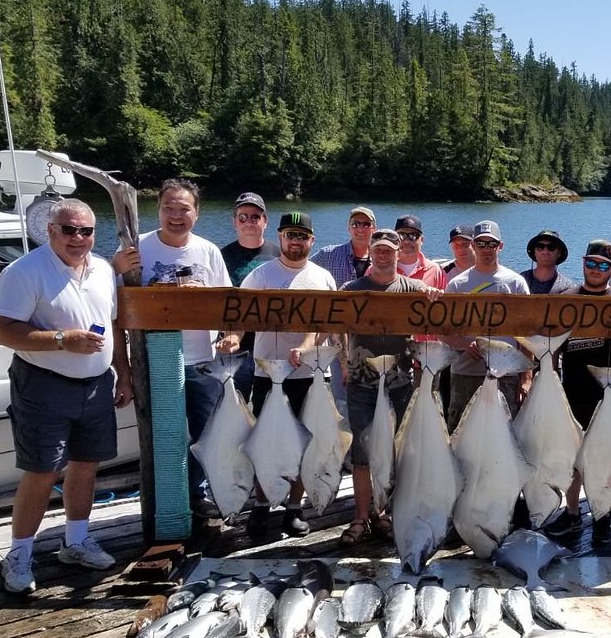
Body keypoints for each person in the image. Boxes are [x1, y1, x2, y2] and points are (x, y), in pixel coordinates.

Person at [0, 198, 133, 594]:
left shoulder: (103, 269)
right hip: (42, 382)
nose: (78, 238)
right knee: (41, 470)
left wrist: (123, 372)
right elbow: (0, 330)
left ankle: (76, 540)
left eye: (86, 231)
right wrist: (60, 340)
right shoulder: (24, 271)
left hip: (97, 383)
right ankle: (19, 553)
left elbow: (114, 325)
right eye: (69, 230)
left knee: (87, 464)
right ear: (50, 230)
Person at [116, 178, 235, 520]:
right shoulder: (135, 249)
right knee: (164, 438)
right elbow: (113, 309)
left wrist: (231, 334)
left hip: (202, 362)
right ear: (159, 210)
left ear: (196, 213)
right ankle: (164, 504)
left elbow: (228, 305)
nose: (176, 216)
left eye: (184, 209)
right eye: (169, 208)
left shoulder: (209, 251)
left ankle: (196, 497)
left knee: (207, 436)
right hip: (155, 361)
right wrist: (124, 373)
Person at [224, 211, 337, 538]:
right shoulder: (260, 276)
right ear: (280, 237)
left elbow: (327, 325)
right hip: (267, 372)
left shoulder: (323, 278)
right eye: (290, 235)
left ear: (311, 241)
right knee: (264, 441)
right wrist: (234, 337)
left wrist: (305, 346)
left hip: (308, 375)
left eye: (302, 236)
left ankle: (293, 507)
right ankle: (261, 505)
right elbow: (240, 315)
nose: (296, 241)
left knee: (305, 443)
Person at [341, 229, 439, 544]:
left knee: (399, 452)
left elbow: (436, 308)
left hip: (400, 384)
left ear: (399, 254)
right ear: (370, 252)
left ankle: (387, 513)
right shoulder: (351, 289)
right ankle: (360, 516)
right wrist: (342, 361)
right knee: (362, 452)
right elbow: (334, 326)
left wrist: (432, 295)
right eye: (378, 250)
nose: (384, 256)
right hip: (361, 384)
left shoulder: (414, 288)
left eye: (389, 251)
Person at [544, 240, 611, 540]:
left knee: (603, 460)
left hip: (605, 396)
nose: (596, 270)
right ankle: (572, 513)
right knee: (572, 458)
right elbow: (552, 347)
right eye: (591, 263)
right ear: (583, 264)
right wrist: (550, 380)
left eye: (603, 265)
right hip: (570, 392)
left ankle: (603, 513)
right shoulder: (566, 298)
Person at [443, 220, 531, 432]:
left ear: (500, 246)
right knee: (460, 435)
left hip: (506, 375)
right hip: (465, 373)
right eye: (480, 244)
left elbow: (527, 332)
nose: (486, 249)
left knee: (505, 436)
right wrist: (465, 345)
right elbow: (443, 331)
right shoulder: (457, 284)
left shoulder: (516, 283)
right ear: (472, 245)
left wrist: (526, 378)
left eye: (491, 244)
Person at [220, 192, 280, 398]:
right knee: (236, 404)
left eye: (255, 216)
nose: (248, 222)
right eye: (242, 217)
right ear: (234, 222)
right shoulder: (221, 256)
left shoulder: (280, 255)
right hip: (235, 348)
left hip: (273, 346)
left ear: (265, 221)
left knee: (269, 405)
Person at [311, 206, 376, 287]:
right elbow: (303, 269)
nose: (360, 229)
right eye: (355, 224)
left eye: (366, 224)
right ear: (349, 228)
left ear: (374, 229)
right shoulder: (327, 254)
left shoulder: (381, 259)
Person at [392, 214, 447, 288]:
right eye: (402, 235)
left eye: (413, 236)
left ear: (422, 240)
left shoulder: (435, 270)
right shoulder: (382, 268)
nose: (407, 241)